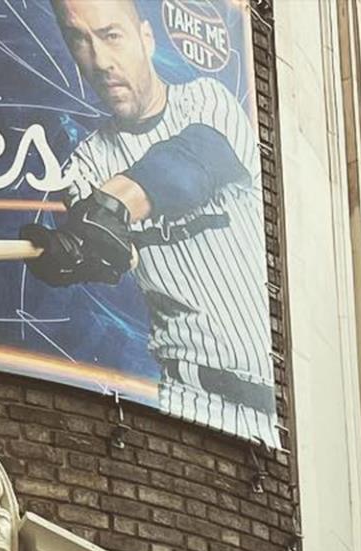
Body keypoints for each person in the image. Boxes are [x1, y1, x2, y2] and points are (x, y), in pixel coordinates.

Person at [23, 0, 277, 443]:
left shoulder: (205, 100)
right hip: (193, 401)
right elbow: (106, 256)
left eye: (111, 35)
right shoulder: (86, 164)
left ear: (146, 37)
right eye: (79, 41)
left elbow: (189, 166)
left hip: (268, 406)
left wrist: (110, 206)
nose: (99, 61)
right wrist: (67, 256)